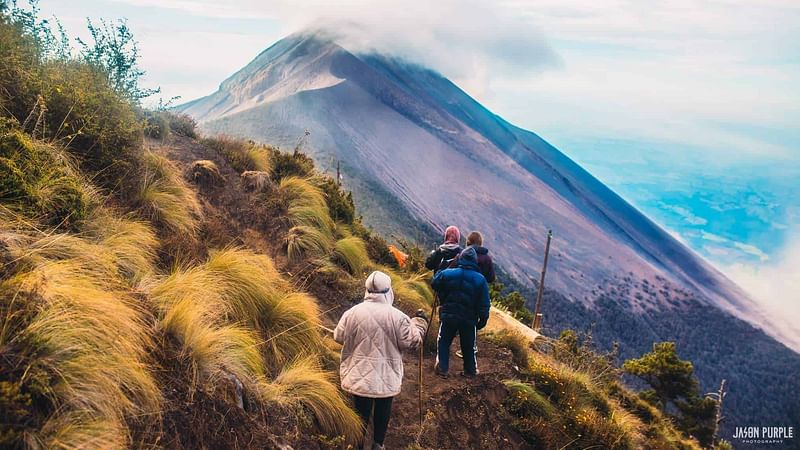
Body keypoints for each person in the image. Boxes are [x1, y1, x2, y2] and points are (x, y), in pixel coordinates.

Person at [334, 271, 428, 450]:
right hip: (386, 375)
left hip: (358, 375)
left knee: (360, 412)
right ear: (388, 291)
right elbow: (413, 341)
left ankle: (357, 444)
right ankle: (378, 444)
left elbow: (338, 336)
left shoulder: (351, 313)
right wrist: (419, 323)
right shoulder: (398, 317)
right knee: (383, 408)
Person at [431, 247, 490, 378]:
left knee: (444, 341)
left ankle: (442, 368)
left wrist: (442, 268)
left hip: (449, 313)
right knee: (468, 345)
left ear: (460, 258)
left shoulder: (449, 273)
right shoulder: (480, 280)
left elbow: (435, 283)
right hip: (469, 318)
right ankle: (470, 371)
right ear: (474, 261)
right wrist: (483, 320)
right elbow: (484, 304)